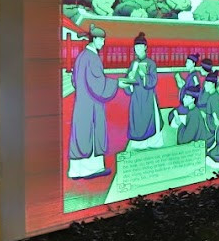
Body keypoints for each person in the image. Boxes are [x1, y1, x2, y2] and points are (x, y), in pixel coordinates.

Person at [67, 26, 121, 179]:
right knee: (91, 134)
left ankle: (76, 170)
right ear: (95, 39)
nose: (103, 43)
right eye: (101, 40)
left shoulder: (81, 56)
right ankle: (91, 169)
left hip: (82, 103)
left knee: (81, 134)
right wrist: (116, 84)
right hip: (92, 104)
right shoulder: (92, 58)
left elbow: (74, 80)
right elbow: (98, 84)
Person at [122, 32, 162, 146]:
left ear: (145, 47)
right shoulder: (133, 63)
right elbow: (127, 81)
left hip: (147, 96)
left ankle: (151, 142)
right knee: (136, 118)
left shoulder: (151, 63)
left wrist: (144, 75)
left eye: (140, 46)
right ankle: (137, 143)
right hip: (136, 96)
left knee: (148, 118)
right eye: (136, 46)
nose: (138, 48)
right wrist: (129, 79)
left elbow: (153, 81)